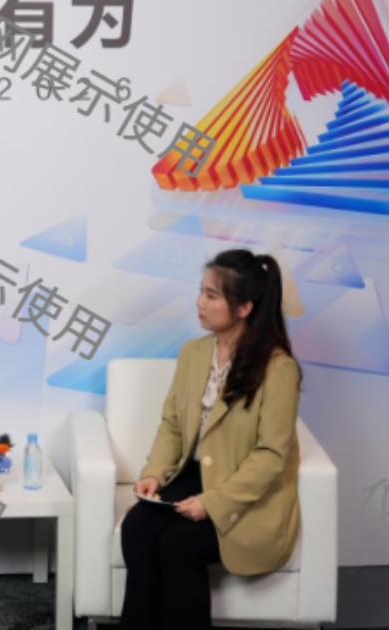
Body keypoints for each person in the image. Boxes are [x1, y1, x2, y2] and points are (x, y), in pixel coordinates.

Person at [119, 249, 303, 630]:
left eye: (211, 295)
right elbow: (173, 424)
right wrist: (154, 472)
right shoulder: (193, 353)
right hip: (194, 476)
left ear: (244, 308)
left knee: (178, 545)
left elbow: (271, 456)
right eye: (201, 291)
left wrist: (212, 503)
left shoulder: (278, 369)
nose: (199, 303)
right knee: (137, 528)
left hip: (246, 494)